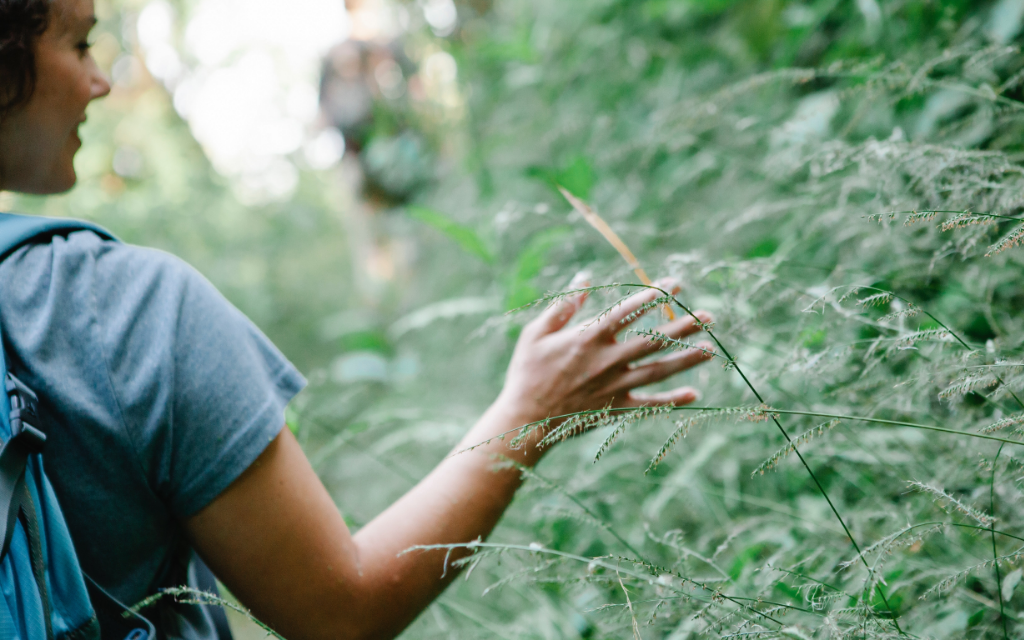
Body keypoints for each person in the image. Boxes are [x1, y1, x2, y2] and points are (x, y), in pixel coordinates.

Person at [0, 0, 715, 638]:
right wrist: (531, 410)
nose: (100, 80)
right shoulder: (120, 306)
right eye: (82, 43)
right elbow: (340, 612)